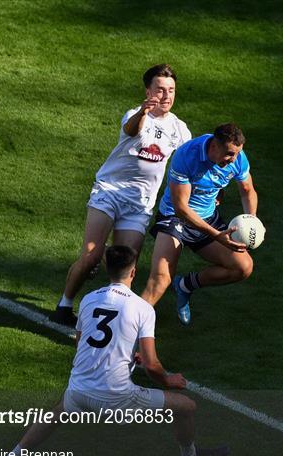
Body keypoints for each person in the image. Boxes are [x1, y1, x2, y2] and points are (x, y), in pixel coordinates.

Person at [0, 246, 229, 456]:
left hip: (79, 391)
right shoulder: (143, 309)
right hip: (117, 399)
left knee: (57, 413)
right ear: (133, 272)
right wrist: (169, 380)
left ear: (109, 271)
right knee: (187, 407)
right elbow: (151, 365)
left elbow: (82, 344)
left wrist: (127, 356)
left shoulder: (87, 300)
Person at [52, 64, 191, 327]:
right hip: (110, 192)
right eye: (160, 90)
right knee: (91, 255)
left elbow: (187, 163)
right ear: (148, 90)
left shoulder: (179, 129)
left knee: (126, 266)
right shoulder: (137, 115)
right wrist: (143, 111)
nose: (166, 96)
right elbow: (131, 129)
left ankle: (109, 318)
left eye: (171, 90)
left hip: (140, 204)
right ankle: (64, 305)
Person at [142, 123, 258, 325]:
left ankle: (185, 286)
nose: (234, 159)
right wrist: (216, 235)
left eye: (237, 154)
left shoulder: (237, 158)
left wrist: (251, 220)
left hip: (208, 217)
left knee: (243, 267)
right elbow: (181, 208)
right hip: (175, 218)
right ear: (214, 146)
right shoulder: (187, 155)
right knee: (161, 279)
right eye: (230, 154)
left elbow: (247, 190)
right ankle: (124, 332)